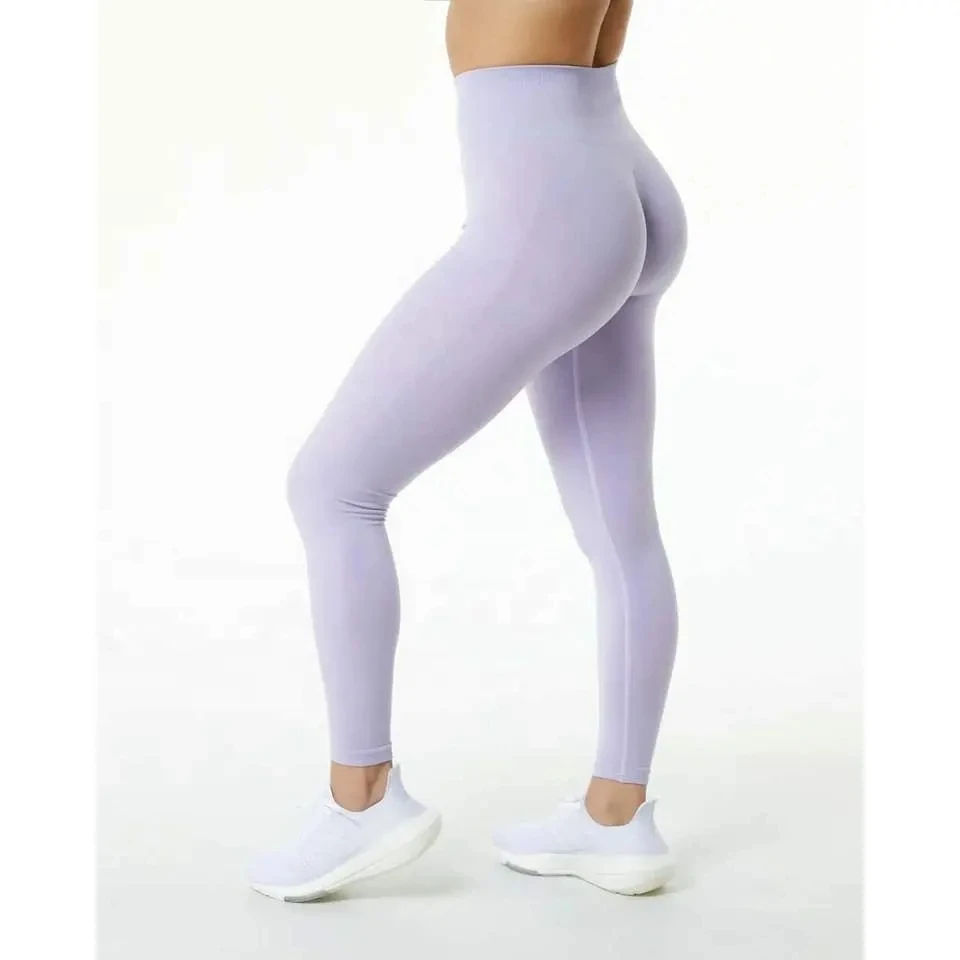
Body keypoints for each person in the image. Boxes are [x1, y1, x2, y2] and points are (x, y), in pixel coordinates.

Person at [249, 0, 686, 901]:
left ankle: (362, 798)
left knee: (333, 488)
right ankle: (616, 818)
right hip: (605, 161)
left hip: (552, 208)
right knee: (620, 533)